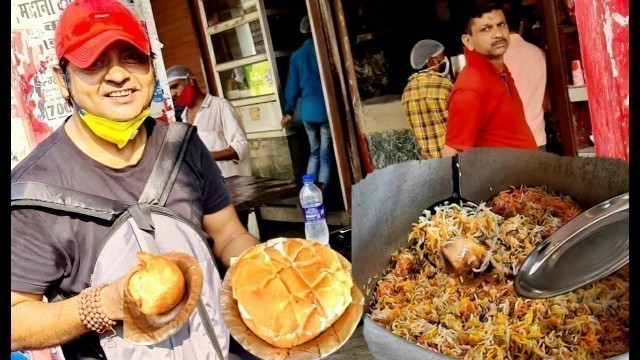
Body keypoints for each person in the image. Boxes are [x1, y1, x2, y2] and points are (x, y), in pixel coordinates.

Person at [10, 0, 258, 358]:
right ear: (61, 80)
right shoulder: (35, 191)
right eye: (94, 62)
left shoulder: (184, 146)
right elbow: (16, 322)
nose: (117, 75)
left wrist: (259, 266)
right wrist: (102, 304)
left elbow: (228, 233)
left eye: (131, 57)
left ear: (150, 68)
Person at [441, 2, 537, 157]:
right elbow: (452, 154)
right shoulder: (471, 87)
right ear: (468, 41)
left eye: (501, 25)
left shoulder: (500, 71)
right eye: (485, 29)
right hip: (503, 180)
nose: (498, 34)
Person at [166, 65, 251, 178]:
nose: (172, 94)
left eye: (175, 86)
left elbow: (242, 147)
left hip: (232, 182)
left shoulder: (220, 106)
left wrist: (207, 156)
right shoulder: (183, 117)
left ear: (190, 80)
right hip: (207, 187)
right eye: (168, 90)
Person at [281, 16, 332, 191]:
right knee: (325, 155)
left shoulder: (296, 56)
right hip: (326, 110)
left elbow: (292, 87)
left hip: (307, 113)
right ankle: (323, 194)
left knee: (314, 152)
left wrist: (289, 111)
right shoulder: (325, 52)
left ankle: (309, 192)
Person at [502, 2, 548, 150]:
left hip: (509, 141)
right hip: (537, 136)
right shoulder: (538, 53)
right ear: (521, 25)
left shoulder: (496, 58)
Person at [401, 39, 454, 159]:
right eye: (442, 58)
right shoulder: (445, 85)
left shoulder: (407, 92)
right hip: (453, 159)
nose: (445, 61)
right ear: (431, 61)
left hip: (430, 165)